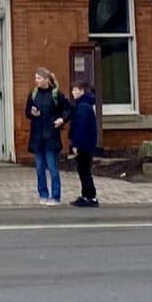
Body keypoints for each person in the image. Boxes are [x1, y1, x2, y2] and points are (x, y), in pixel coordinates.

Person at [24, 68, 68, 205]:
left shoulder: (56, 94)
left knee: (52, 167)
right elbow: (27, 112)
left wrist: (62, 119)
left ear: (46, 79)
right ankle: (43, 194)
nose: (36, 80)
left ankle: (55, 196)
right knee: (39, 168)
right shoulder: (33, 94)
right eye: (35, 78)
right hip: (37, 137)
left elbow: (68, 109)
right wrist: (32, 113)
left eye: (38, 78)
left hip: (51, 136)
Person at [66, 73, 102, 208]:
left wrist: (75, 144)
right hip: (87, 143)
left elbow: (80, 128)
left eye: (75, 90)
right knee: (84, 170)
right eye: (72, 90)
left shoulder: (82, 107)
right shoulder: (85, 105)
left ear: (81, 91)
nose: (73, 92)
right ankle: (87, 195)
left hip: (84, 144)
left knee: (84, 170)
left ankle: (90, 197)